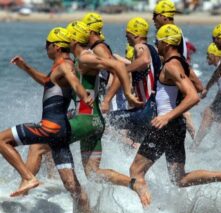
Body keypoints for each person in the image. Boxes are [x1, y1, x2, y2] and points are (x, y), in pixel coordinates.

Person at [128, 24, 221, 207]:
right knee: (179, 178)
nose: (156, 45)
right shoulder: (182, 63)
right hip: (176, 126)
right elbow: (199, 87)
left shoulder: (171, 65)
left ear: (167, 44)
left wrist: (166, 116)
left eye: (158, 42)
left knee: (135, 171)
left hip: (165, 125)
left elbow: (193, 96)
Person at [20, 21, 141, 190]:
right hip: (95, 121)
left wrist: (126, 93)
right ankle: (134, 184)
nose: (66, 42)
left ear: (75, 41)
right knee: (93, 173)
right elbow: (49, 81)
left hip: (86, 119)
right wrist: (25, 67)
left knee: (38, 145)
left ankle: (25, 190)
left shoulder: (84, 58)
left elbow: (117, 65)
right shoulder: (78, 60)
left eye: (69, 38)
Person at [3, 27, 92, 213]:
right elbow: (46, 81)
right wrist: (25, 67)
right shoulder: (61, 66)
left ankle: (28, 178)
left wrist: (84, 94)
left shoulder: (65, 66)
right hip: (60, 133)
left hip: (50, 128)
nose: (45, 49)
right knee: (71, 184)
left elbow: (74, 81)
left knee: (1, 140)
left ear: (57, 47)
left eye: (47, 45)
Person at [152, 0, 202, 139]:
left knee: (180, 115)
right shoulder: (172, 32)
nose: (153, 19)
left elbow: (178, 61)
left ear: (164, 17)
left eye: (155, 15)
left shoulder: (171, 34)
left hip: (173, 79)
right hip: (171, 78)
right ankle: (194, 142)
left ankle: (195, 140)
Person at [106, 17, 161, 143]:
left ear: (135, 34)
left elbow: (144, 61)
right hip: (153, 110)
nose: (126, 36)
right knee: (135, 143)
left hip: (143, 111)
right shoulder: (154, 49)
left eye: (128, 33)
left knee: (105, 122)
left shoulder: (140, 47)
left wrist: (124, 71)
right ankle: (126, 161)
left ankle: (111, 156)